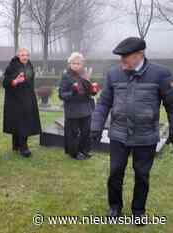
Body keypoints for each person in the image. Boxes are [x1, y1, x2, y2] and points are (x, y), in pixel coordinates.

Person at [91, 37, 173, 222]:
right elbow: (104, 102)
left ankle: (138, 211)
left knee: (142, 175)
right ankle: (114, 207)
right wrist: (95, 126)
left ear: (140, 55)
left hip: (146, 137)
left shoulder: (160, 74)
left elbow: (171, 104)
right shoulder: (113, 74)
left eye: (125, 57)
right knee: (115, 173)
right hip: (119, 135)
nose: (121, 62)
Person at [58, 52, 98, 160]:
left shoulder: (85, 74)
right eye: (73, 63)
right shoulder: (66, 75)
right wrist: (72, 92)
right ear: (70, 63)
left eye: (78, 63)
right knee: (73, 133)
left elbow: (88, 91)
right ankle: (74, 153)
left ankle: (84, 151)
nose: (76, 65)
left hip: (86, 108)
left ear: (82, 64)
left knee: (86, 131)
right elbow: (61, 94)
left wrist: (93, 91)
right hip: (73, 108)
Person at [3, 48, 41, 157]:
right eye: (22, 55)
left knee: (23, 122)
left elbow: (31, 81)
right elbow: (5, 82)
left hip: (28, 98)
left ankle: (16, 146)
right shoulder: (12, 67)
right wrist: (15, 81)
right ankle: (23, 148)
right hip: (15, 100)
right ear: (18, 56)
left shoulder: (29, 65)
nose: (25, 57)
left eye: (26, 55)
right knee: (21, 123)